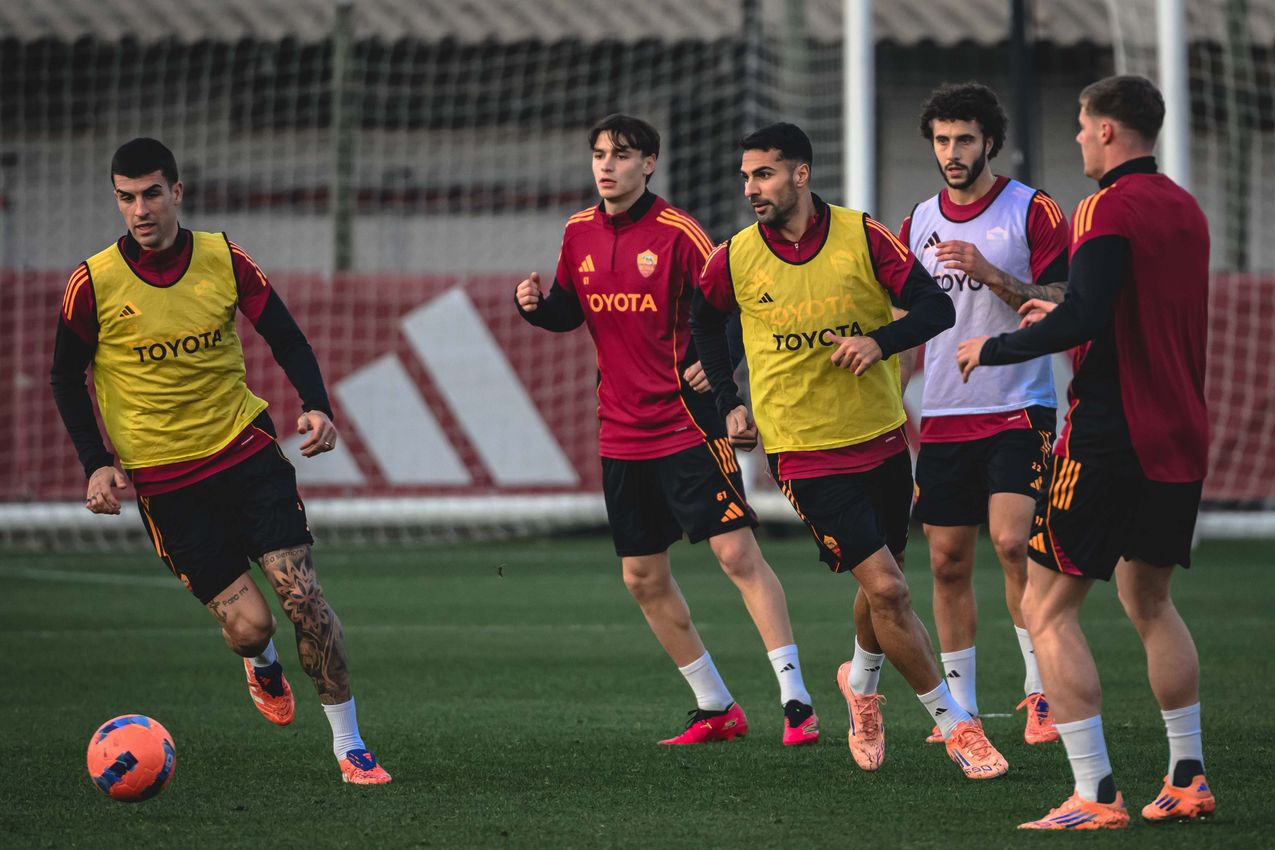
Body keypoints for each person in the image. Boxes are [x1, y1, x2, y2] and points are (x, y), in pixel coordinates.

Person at [50, 138, 390, 785]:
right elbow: (65, 378)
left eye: (152, 193)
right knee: (251, 627)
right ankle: (260, 663)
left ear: (177, 192)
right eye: (126, 197)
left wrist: (316, 405)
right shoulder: (91, 283)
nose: (141, 209)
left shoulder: (223, 258)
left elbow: (285, 335)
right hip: (166, 485)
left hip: (245, 453)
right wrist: (95, 462)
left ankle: (350, 746)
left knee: (303, 598)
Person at [692, 121, 1009, 780]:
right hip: (802, 451)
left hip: (881, 437)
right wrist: (728, 400)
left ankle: (860, 684)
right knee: (889, 589)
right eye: (746, 176)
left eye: (764, 174)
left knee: (885, 581)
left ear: (800, 174)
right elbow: (705, 320)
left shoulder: (862, 236)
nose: (751, 188)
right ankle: (956, 725)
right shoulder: (733, 257)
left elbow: (935, 309)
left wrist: (878, 342)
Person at [956, 75, 1214, 829]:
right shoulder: (1185, 208)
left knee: (1046, 609)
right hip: (1179, 432)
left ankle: (1094, 794)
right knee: (1150, 600)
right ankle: (1187, 776)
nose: (1075, 138)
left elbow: (1089, 316)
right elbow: (1111, 307)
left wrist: (994, 346)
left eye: (1079, 125)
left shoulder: (1103, 206)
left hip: (1109, 433)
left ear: (1105, 130)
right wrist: (1058, 307)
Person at [515, 114, 819, 746]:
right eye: (599, 154)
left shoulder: (680, 233)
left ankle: (796, 700)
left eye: (621, 155)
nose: (607, 166)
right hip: (619, 431)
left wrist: (722, 364)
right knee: (642, 577)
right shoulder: (577, 232)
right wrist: (538, 309)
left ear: (648, 164)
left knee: (736, 555)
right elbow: (570, 309)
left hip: (686, 424)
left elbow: (733, 305)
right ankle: (716, 707)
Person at [898, 82, 1069, 747]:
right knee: (946, 561)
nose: (952, 152)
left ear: (989, 142)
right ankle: (960, 707)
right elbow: (904, 316)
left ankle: (1041, 691)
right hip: (944, 412)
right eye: (942, 140)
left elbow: (1063, 297)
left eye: (964, 139)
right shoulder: (917, 221)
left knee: (1010, 542)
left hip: (1018, 404)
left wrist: (991, 273)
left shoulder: (1031, 209)